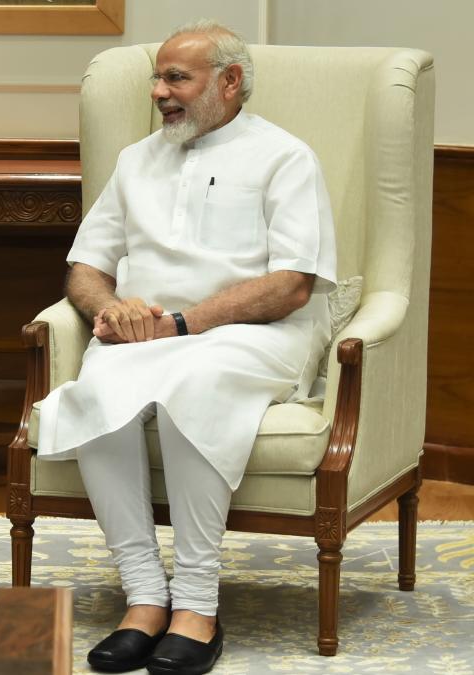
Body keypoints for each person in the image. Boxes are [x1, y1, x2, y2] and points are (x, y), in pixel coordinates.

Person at [37, 20, 336, 675]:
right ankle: (144, 597)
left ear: (230, 82)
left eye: (177, 78)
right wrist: (108, 306)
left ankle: (197, 605)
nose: (158, 92)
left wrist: (183, 322)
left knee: (192, 387)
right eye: (157, 78)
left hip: (254, 337)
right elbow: (85, 268)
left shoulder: (285, 157)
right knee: (98, 390)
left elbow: (291, 284)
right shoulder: (135, 160)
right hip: (148, 335)